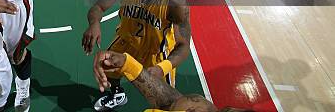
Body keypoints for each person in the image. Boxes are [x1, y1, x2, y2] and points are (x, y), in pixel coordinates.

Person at [83, 0, 191, 111]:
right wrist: (94, 23)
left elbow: (183, 46)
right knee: (107, 67)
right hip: (126, 41)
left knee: (167, 104)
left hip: (156, 54)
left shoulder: (176, 2)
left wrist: (162, 68)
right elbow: (99, 6)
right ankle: (117, 94)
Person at [93, 51, 253, 112]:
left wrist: (163, 66)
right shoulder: (202, 107)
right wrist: (128, 65)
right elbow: (172, 103)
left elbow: (183, 47)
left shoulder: (177, 6)